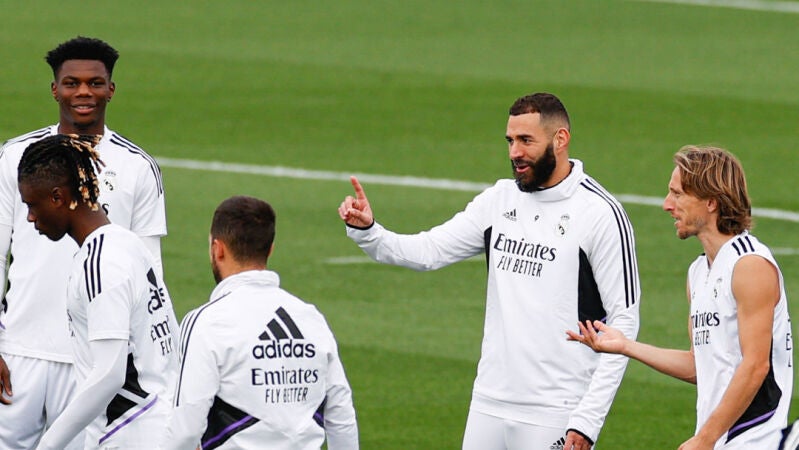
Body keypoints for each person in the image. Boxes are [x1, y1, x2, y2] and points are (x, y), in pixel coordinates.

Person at [338, 92, 640, 450]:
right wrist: (369, 232)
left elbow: (624, 320)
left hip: (557, 409)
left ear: (560, 140)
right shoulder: (499, 201)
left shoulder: (599, 213)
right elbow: (428, 251)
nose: (514, 152)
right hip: (489, 403)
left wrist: (587, 419)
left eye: (526, 140)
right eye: (510, 141)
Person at [0, 36, 166, 449]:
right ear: (55, 89)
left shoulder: (137, 167)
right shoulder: (16, 157)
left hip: (91, 364)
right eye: (72, 83)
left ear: (111, 89)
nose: (83, 93)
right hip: (18, 352)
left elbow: (150, 273)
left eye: (95, 83)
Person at [567, 145, 793, 449]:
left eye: (677, 194)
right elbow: (698, 366)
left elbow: (756, 366)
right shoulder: (698, 272)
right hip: (719, 440)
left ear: (711, 202)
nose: (667, 205)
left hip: (756, 440)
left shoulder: (749, 265)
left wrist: (705, 438)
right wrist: (626, 346)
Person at [16, 134, 179, 450]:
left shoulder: (100, 263)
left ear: (58, 197)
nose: (30, 217)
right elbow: (170, 340)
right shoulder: (129, 244)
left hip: (131, 433)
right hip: (164, 426)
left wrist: (48, 444)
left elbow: (109, 375)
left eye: (32, 205)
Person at [162, 195, 359, 450]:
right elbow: (342, 418)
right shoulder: (310, 318)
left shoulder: (206, 322)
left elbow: (184, 432)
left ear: (218, 249)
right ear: (270, 249)